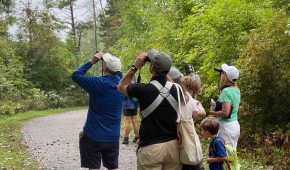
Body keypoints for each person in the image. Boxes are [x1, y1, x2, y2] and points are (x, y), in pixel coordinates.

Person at [117, 49, 181, 170]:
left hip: (151, 148)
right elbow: (178, 90)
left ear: (152, 68)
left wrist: (135, 66)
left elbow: (120, 87)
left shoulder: (142, 89)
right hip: (173, 147)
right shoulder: (177, 89)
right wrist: (164, 70)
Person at [71, 52, 123, 170]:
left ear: (105, 67)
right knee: (113, 167)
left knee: (93, 167)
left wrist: (92, 61)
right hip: (113, 137)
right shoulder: (122, 85)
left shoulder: (98, 83)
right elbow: (119, 73)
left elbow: (75, 75)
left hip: (93, 135)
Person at [210, 63, 240, 149]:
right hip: (234, 124)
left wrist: (212, 112)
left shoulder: (226, 91)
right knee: (231, 153)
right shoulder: (236, 89)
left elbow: (226, 112)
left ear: (226, 77)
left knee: (227, 155)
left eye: (222, 73)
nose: (221, 75)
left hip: (227, 127)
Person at [122, 78, 139, 144]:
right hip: (135, 106)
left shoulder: (126, 86)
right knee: (135, 122)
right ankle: (137, 137)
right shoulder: (135, 85)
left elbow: (123, 96)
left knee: (127, 122)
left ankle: (126, 139)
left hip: (127, 106)